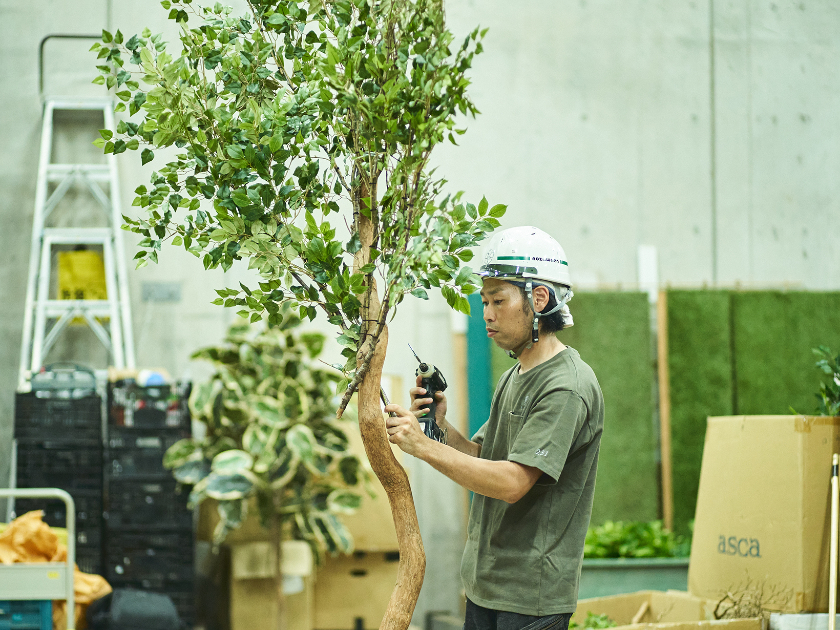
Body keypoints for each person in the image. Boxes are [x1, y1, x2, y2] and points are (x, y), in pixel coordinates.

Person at [384, 226, 604, 630]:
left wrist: (421, 446)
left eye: (498, 300)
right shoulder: (515, 375)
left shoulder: (566, 386)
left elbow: (511, 483)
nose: (486, 312)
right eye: (484, 301)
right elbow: (484, 459)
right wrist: (439, 427)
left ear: (539, 299)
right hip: (486, 586)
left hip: (529, 598)